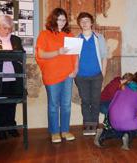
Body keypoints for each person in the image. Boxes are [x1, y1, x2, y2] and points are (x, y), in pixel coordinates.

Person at [35, 8, 78, 143]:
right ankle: (54, 132)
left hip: (68, 74)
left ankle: (64, 130)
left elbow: (75, 55)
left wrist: (75, 69)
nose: (61, 22)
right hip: (52, 74)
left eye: (64, 19)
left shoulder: (69, 35)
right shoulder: (44, 34)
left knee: (66, 105)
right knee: (54, 105)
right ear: (53, 19)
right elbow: (41, 54)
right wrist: (58, 52)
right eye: (59, 19)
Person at [94, 71, 137, 150]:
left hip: (111, 120)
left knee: (125, 125)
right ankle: (129, 134)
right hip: (125, 121)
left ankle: (104, 134)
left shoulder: (123, 87)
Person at [0, 15, 24, 140]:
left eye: (9, 28)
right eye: (4, 28)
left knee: (11, 102)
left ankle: (11, 126)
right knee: (0, 104)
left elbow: (21, 54)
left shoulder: (15, 39)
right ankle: (1, 129)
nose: (7, 31)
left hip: (14, 76)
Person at [74, 12, 109, 136]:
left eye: (87, 21)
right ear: (79, 23)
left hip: (96, 75)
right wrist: (75, 71)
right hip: (81, 76)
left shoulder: (99, 37)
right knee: (85, 101)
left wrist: (103, 73)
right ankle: (87, 125)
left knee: (95, 101)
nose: (84, 23)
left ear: (91, 23)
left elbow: (105, 56)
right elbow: (73, 58)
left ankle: (94, 124)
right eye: (82, 21)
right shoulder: (76, 39)